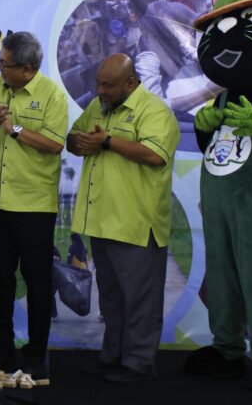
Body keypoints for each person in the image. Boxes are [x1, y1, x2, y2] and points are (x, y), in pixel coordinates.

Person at [67, 53, 180, 383]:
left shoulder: (154, 110)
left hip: (135, 221)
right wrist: (81, 142)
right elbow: (74, 138)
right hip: (101, 220)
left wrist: (106, 141)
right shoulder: (99, 107)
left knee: (140, 299)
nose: (100, 90)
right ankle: (112, 356)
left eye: (108, 85)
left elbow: (155, 155)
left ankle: (139, 363)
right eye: (98, 83)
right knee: (112, 298)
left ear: (131, 83)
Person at [0, 31, 69, 378]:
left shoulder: (52, 95)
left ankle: (36, 354)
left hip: (34, 206)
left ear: (27, 69)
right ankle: (0, 350)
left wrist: (14, 129)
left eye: (5, 64)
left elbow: (55, 144)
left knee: (37, 282)